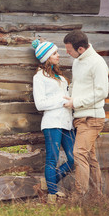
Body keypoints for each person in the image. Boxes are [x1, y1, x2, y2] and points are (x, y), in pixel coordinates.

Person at [63, 30, 109, 201]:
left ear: (81, 49)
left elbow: (101, 92)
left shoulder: (97, 63)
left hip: (93, 118)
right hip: (80, 117)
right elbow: (76, 85)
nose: (66, 52)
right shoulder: (77, 61)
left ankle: (78, 194)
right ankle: (97, 196)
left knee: (79, 153)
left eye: (69, 50)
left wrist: (76, 102)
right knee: (90, 157)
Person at [32, 39, 76, 203]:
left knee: (74, 159)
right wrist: (61, 101)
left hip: (67, 122)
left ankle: (49, 182)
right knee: (52, 158)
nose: (58, 55)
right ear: (47, 57)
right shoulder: (39, 77)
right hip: (52, 123)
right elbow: (40, 104)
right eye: (55, 53)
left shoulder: (61, 77)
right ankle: (52, 194)